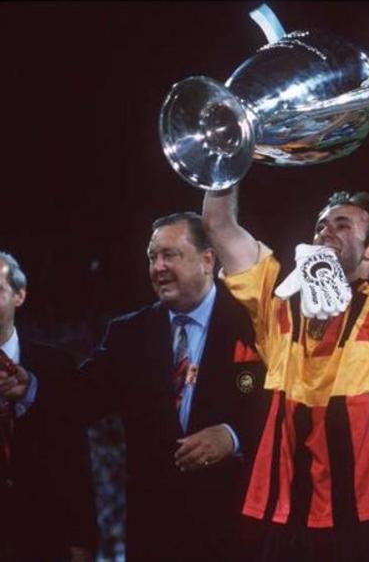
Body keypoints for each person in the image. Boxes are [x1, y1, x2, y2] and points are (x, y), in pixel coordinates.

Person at [202, 58, 369, 562]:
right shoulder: (278, 302)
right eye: (321, 224)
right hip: (281, 520)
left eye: (342, 225)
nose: (326, 232)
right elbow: (219, 226)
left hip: (366, 525)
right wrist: (230, 141)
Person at [0, 213, 267, 561]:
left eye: (169, 255)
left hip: (234, 527)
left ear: (207, 260)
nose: (158, 267)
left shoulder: (253, 324)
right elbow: (80, 398)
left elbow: (278, 405)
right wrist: (30, 387)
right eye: (152, 257)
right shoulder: (130, 334)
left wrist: (232, 437)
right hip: (154, 532)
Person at [0, 251, 97, 562]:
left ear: (19, 295)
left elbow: (75, 459)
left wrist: (82, 540)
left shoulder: (57, 366)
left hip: (44, 537)